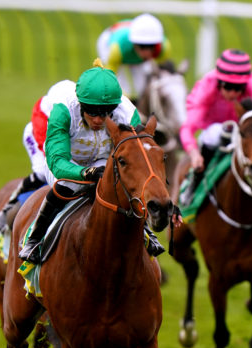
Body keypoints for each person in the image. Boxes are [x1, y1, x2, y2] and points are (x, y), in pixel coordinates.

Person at [19, 60, 167, 264]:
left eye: (106, 112)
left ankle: (146, 232)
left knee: (122, 184)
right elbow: (57, 161)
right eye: (92, 111)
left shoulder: (126, 113)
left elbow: (138, 157)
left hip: (99, 155)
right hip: (64, 154)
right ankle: (34, 239)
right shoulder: (63, 110)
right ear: (81, 104)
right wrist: (84, 174)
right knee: (68, 184)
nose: (99, 119)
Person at [178, 48, 252, 208]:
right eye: (228, 86)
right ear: (219, 82)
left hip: (242, 128)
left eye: (238, 88)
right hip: (213, 129)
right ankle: (194, 183)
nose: (233, 93)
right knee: (217, 132)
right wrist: (194, 154)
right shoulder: (206, 87)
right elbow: (187, 128)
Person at [0, 80, 76, 232]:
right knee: (43, 174)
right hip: (39, 135)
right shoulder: (48, 118)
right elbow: (56, 159)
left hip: (63, 132)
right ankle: (7, 211)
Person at [96, 13, 172, 102]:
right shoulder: (117, 49)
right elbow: (110, 77)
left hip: (129, 50)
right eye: (142, 46)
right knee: (121, 84)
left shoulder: (164, 49)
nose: (146, 52)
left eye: (151, 46)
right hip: (110, 43)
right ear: (134, 43)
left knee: (142, 84)